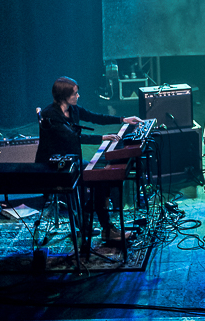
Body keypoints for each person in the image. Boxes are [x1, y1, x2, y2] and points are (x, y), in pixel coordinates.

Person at [36, 76, 143, 244]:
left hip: (70, 161)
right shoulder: (51, 115)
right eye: (75, 94)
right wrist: (102, 137)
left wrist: (123, 119)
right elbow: (72, 137)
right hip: (55, 166)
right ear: (64, 96)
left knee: (100, 176)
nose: (78, 96)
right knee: (99, 178)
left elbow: (95, 117)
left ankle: (88, 219)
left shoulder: (73, 109)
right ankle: (104, 227)